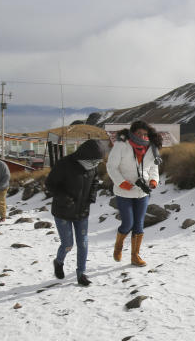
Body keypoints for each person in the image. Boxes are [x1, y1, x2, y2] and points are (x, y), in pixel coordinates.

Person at [45, 139, 104, 286]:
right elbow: (50, 184)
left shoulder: (92, 166)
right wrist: (63, 197)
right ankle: (59, 262)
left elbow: (95, 181)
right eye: (94, 160)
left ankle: (81, 273)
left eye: (98, 161)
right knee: (68, 244)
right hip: (63, 211)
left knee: (83, 243)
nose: (96, 164)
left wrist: (91, 197)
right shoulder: (64, 164)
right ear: (85, 155)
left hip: (82, 211)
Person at [106, 121, 161, 266]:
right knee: (128, 223)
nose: (142, 136)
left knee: (139, 225)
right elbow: (111, 166)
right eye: (139, 134)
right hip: (124, 192)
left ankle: (135, 256)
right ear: (132, 133)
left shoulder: (151, 148)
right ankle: (118, 246)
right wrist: (121, 182)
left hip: (142, 193)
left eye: (145, 134)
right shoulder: (121, 145)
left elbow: (154, 169)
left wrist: (154, 181)